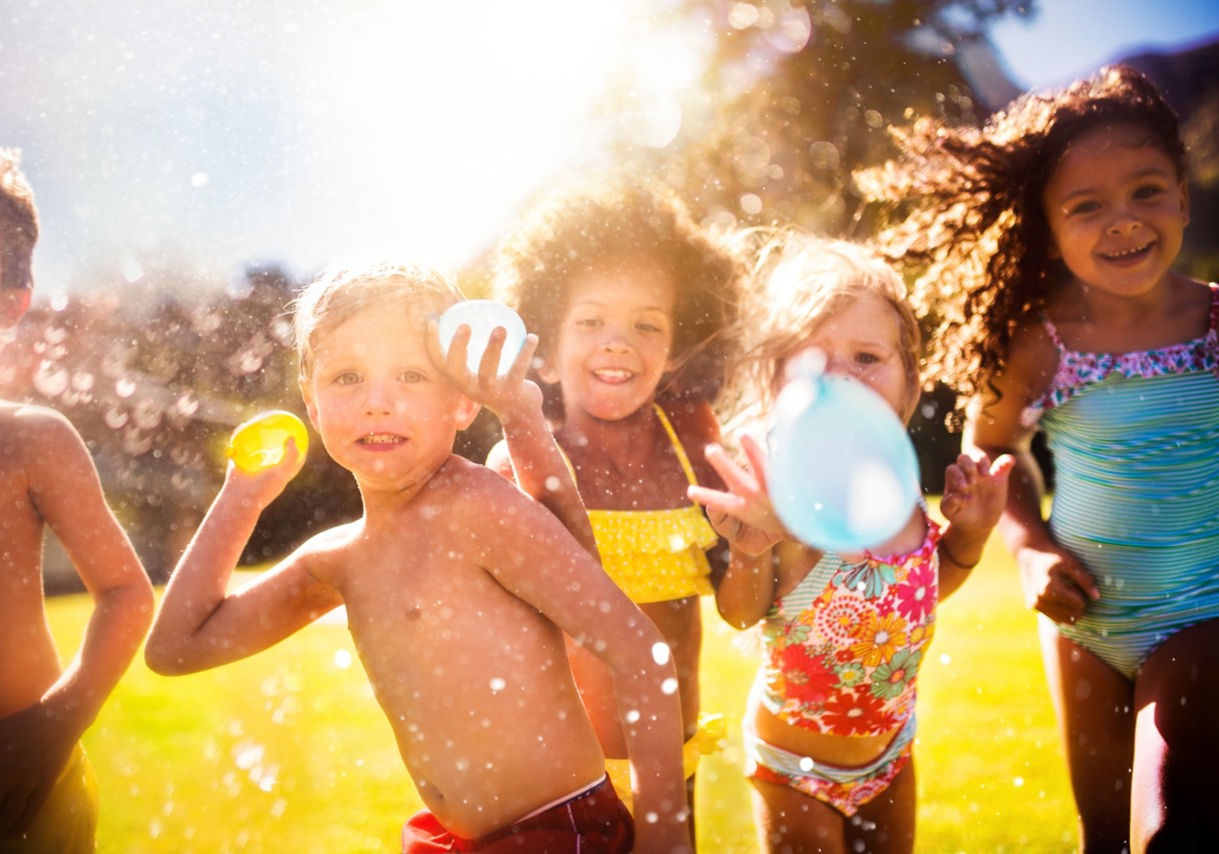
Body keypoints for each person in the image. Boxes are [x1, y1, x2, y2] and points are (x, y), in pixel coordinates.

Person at [143, 263, 692, 853]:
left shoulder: (477, 508)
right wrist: (241, 498)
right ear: (311, 397)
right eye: (347, 377)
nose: (378, 402)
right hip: (460, 841)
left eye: (410, 375)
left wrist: (665, 838)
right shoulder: (338, 559)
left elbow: (640, 653)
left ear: (462, 401)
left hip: (560, 834)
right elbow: (177, 649)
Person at [858, 64, 1219, 851]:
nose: (1123, 221)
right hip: (1083, 620)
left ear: (1183, 199)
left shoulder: (1216, 321)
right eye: (1086, 207)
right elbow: (992, 453)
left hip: (1205, 618)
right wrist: (1028, 548)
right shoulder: (1042, 342)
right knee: (1101, 837)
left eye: (1146, 191)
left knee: (1165, 827)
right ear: (1048, 229)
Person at [687, 234, 1012, 853]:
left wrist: (970, 534)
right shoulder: (782, 492)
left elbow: (920, 592)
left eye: (866, 357)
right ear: (775, 380)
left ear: (908, 382)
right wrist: (756, 550)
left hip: (891, 754)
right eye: (812, 361)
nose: (840, 378)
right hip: (794, 768)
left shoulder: (900, 488)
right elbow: (741, 612)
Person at [488, 173, 741, 827]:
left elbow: (739, 598)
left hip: (671, 764)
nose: (618, 342)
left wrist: (755, 541)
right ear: (542, 346)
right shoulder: (520, 458)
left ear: (678, 345)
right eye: (591, 321)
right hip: (557, 781)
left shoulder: (693, 438)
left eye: (646, 325)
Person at [0, 127, 154, 852]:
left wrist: (56, 723)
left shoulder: (29, 437)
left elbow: (126, 593)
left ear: (11, 300)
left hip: (21, 785)